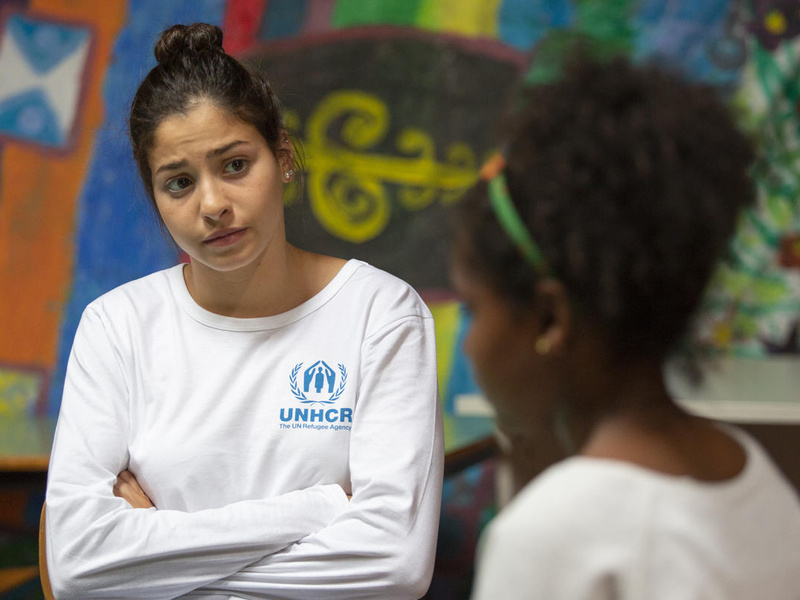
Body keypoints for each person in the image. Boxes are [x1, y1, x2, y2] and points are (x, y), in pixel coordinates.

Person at [45, 23, 443, 600]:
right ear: (155, 196)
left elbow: (394, 563)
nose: (212, 205)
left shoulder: (380, 315)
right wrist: (318, 508)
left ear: (282, 155)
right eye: (179, 183)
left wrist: (155, 553)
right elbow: (76, 566)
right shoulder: (117, 326)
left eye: (234, 165)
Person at [449, 54, 800, 599]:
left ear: (550, 318)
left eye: (473, 309)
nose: (469, 344)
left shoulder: (551, 537)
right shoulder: (755, 479)